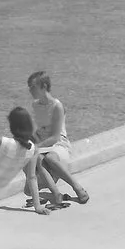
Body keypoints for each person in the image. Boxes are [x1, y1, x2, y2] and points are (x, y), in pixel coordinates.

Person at [27, 71, 90, 205]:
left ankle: (77, 188)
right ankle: (56, 195)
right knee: (28, 190)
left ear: (44, 87)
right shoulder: (35, 105)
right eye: (29, 87)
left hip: (59, 144)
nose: (30, 90)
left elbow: (55, 137)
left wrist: (37, 147)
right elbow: (40, 130)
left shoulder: (57, 106)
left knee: (49, 158)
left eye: (33, 87)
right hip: (43, 145)